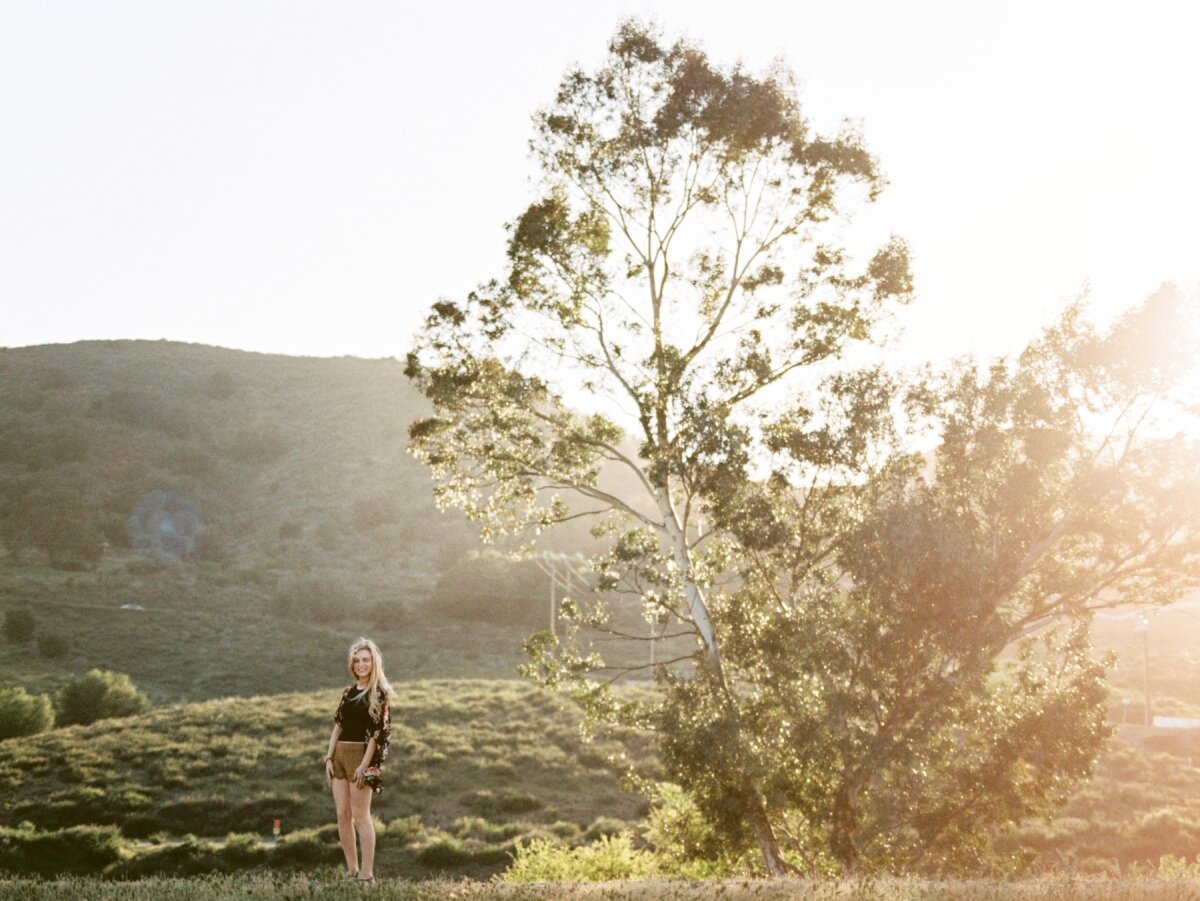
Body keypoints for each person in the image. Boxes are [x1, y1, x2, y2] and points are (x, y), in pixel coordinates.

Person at [325, 637, 395, 883]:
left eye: (365, 660)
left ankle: (367, 875)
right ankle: (352, 871)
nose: (361, 664)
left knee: (361, 815)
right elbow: (338, 725)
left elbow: (377, 734)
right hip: (340, 756)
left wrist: (365, 766)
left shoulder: (379, 693)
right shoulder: (348, 693)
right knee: (342, 814)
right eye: (357, 661)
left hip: (361, 757)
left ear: (373, 662)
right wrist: (329, 757)